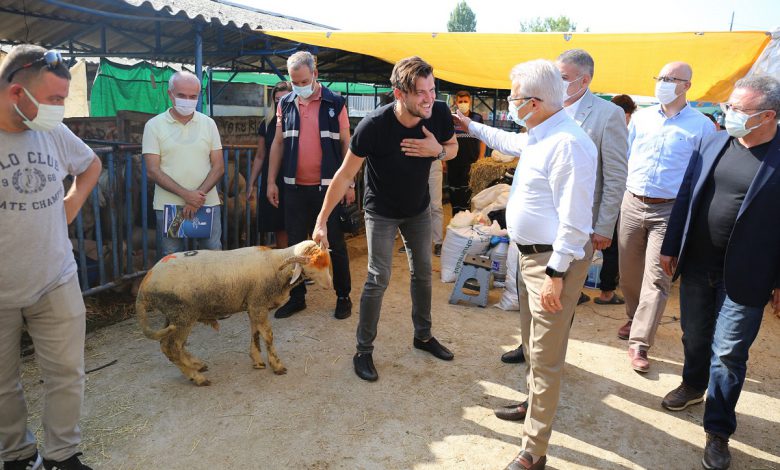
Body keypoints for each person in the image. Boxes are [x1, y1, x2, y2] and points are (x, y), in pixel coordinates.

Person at [455, 59, 597, 470]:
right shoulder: (541, 133)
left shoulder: (568, 144)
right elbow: (509, 140)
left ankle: (534, 451)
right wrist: (470, 125)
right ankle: (531, 403)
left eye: (514, 97)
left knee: (546, 354)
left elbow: (575, 222)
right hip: (529, 253)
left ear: (533, 102)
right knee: (533, 344)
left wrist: (555, 274)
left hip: (551, 260)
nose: (511, 105)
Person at [659, 75, 780, 470]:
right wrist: (670, 246)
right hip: (697, 263)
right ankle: (693, 385)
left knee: (728, 355)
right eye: (730, 107)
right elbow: (686, 194)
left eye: (740, 111)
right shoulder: (713, 141)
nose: (730, 115)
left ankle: (718, 430)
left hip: (748, 275)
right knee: (694, 335)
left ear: (768, 116)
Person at [311, 56, 458, 381]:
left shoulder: (440, 113)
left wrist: (439, 152)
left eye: (432, 90)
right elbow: (343, 174)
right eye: (421, 92)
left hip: (418, 209)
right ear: (399, 94)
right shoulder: (374, 126)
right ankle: (363, 351)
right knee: (378, 277)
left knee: (422, 273)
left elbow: (454, 147)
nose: (429, 98)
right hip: (381, 211)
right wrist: (322, 220)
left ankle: (423, 336)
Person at [0, 44, 101, 470]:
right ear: (16, 93)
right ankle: (18, 455)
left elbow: (90, 164)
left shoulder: (52, 131)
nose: (61, 109)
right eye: (55, 99)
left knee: (67, 374)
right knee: (3, 384)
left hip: (56, 275)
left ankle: (62, 455)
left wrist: (68, 210)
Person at [498, 48, 628, 365]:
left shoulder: (606, 114)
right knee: (534, 300)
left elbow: (615, 175)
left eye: (564, 77)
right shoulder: (546, 112)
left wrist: (603, 226)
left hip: (574, 227)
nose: (557, 82)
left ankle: (547, 360)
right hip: (541, 225)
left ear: (585, 80)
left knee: (557, 300)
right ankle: (531, 349)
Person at [618, 62, 716, 372]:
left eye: (670, 79)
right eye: (659, 77)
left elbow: (703, 174)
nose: (662, 83)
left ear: (687, 85)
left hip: (670, 211)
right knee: (629, 272)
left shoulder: (702, 126)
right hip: (632, 202)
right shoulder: (642, 118)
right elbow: (626, 157)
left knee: (658, 277)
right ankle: (634, 316)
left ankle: (640, 343)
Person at [266, 51, 353, 320]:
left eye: (303, 80)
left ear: (315, 74)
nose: (298, 86)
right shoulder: (286, 104)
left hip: (328, 188)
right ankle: (297, 297)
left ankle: (343, 296)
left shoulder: (335, 103)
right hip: (293, 188)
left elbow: (346, 144)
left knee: (335, 244)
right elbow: (278, 144)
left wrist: (349, 184)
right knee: (295, 246)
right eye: (294, 81)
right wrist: (272, 181)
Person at [142, 71, 224, 256]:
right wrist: (187, 195)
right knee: (172, 259)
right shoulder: (154, 126)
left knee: (213, 257)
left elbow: (218, 166)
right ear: (170, 94)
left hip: (207, 204)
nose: (187, 100)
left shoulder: (209, 124)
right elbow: (152, 170)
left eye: (193, 96)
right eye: (181, 95)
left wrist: (197, 199)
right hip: (169, 207)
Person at [247, 81, 292, 248]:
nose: (281, 103)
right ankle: (286, 269)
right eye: (277, 99)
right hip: (272, 178)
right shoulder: (266, 123)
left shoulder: (300, 121)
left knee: (298, 223)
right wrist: (251, 183)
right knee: (279, 225)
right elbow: (260, 155)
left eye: (285, 98)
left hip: (294, 177)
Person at [450, 90, 485, 215]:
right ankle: (456, 217)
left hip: (471, 161)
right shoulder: (451, 118)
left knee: (467, 191)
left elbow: (482, 139)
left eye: (465, 101)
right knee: (454, 191)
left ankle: (466, 218)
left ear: (470, 102)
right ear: (456, 102)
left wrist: (480, 158)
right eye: (460, 101)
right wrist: (443, 161)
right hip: (453, 161)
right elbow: (445, 139)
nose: (463, 104)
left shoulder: (477, 118)